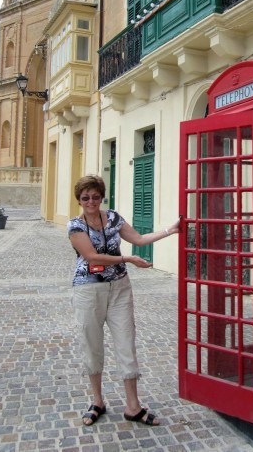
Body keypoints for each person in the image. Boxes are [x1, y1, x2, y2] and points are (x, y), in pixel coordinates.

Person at [67, 175, 180, 427]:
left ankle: (133, 406)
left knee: (126, 343)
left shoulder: (115, 218)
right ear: (79, 200)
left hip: (119, 289)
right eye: (85, 197)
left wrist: (169, 231)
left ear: (102, 196)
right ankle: (97, 401)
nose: (91, 201)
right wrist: (128, 260)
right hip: (88, 291)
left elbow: (138, 239)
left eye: (96, 196)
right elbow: (91, 256)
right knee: (92, 344)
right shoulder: (74, 226)